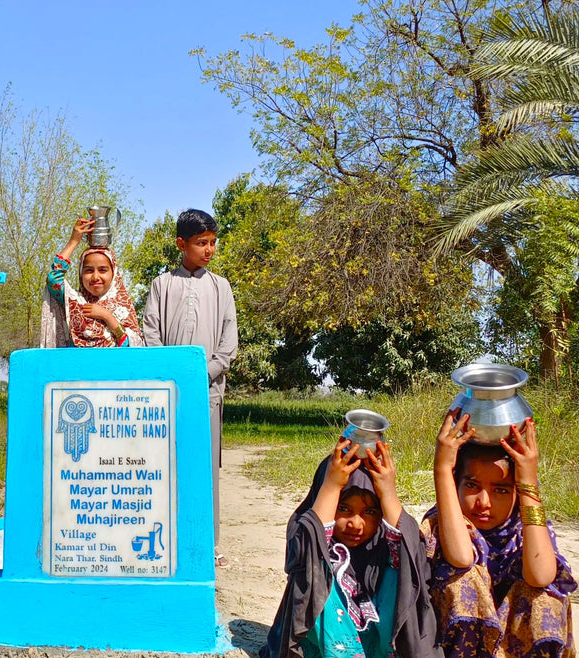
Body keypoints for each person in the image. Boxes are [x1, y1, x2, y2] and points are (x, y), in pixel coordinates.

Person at [260, 439, 441, 658]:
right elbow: (310, 546)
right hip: (319, 648)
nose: (356, 524)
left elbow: (411, 555)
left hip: (377, 646)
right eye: (343, 508)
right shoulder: (308, 538)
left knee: (404, 572)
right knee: (318, 574)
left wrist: (388, 493)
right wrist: (332, 486)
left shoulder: (385, 545)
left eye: (370, 512)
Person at [422, 411, 576, 657]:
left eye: (501, 490)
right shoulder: (442, 522)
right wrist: (441, 468)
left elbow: (540, 575)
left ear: (517, 493)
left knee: (543, 597)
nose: (484, 502)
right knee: (462, 582)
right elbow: (461, 557)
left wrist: (529, 482)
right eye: (471, 485)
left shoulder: (525, 527)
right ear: (455, 483)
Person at [142, 208, 237, 565]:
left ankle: (208, 545)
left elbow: (228, 342)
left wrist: (207, 373)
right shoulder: (162, 284)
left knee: (205, 468)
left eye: (213, 242)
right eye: (201, 243)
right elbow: (152, 333)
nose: (209, 249)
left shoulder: (221, 286)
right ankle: (166, 540)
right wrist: (172, 375)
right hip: (168, 394)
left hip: (207, 393)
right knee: (164, 465)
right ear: (182, 244)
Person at [40, 216, 143, 348]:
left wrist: (107, 317)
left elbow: (132, 347)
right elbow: (53, 279)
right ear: (81, 274)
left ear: (114, 274)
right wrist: (73, 242)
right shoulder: (74, 303)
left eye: (103, 270)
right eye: (89, 270)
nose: (95, 277)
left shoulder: (123, 307)